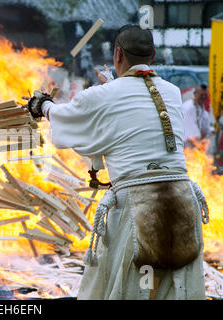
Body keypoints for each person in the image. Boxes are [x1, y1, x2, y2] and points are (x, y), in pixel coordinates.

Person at [26, 25, 209, 300]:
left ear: (117, 54)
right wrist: (111, 85)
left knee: (131, 291)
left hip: (136, 208)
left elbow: (66, 119)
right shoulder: (172, 92)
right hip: (183, 203)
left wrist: (43, 106)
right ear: (154, 55)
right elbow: (131, 106)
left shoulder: (103, 95)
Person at [181, 84, 214, 148]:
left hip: (195, 144)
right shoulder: (187, 107)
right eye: (201, 95)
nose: (204, 97)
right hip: (187, 144)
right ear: (195, 93)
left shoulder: (202, 109)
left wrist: (213, 129)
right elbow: (189, 133)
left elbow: (205, 129)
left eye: (205, 95)